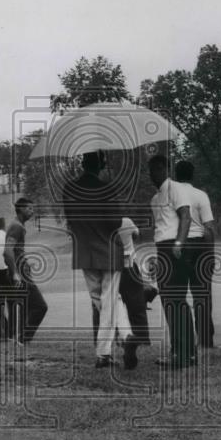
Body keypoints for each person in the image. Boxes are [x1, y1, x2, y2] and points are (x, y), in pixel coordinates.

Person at [63, 151, 134, 369]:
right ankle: (124, 335)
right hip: (108, 250)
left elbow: (71, 220)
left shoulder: (69, 189)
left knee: (100, 300)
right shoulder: (107, 188)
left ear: (83, 164)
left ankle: (107, 351)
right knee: (111, 299)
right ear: (101, 165)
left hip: (85, 250)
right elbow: (115, 222)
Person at [148, 154, 196, 369]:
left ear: (166, 169)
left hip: (175, 248)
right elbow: (160, 227)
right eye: (151, 170)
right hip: (162, 249)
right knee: (169, 301)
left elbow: (185, 216)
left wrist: (179, 243)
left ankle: (184, 354)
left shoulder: (176, 188)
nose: (153, 173)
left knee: (176, 300)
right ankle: (181, 351)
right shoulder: (155, 198)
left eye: (158, 168)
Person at [174, 160, 216, 350]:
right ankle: (206, 340)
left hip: (177, 245)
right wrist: (211, 254)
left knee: (178, 296)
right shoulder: (200, 195)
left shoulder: (170, 195)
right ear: (192, 175)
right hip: (198, 245)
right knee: (202, 295)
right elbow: (208, 228)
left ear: (176, 175)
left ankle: (183, 342)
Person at [4, 197, 49, 345]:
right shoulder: (17, 226)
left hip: (22, 270)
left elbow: (15, 250)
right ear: (21, 209)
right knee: (40, 306)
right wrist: (16, 273)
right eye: (29, 208)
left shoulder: (19, 226)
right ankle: (24, 338)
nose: (32, 211)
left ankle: (21, 339)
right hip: (21, 273)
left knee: (26, 305)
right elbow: (7, 251)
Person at [116, 216, 151, 360]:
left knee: (109, 306)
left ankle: (106, 341)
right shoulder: (127, 221)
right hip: (129, 266)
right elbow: (137, 235)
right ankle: (142, 339)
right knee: (137, 306)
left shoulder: (100, 222)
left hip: (110, 268)